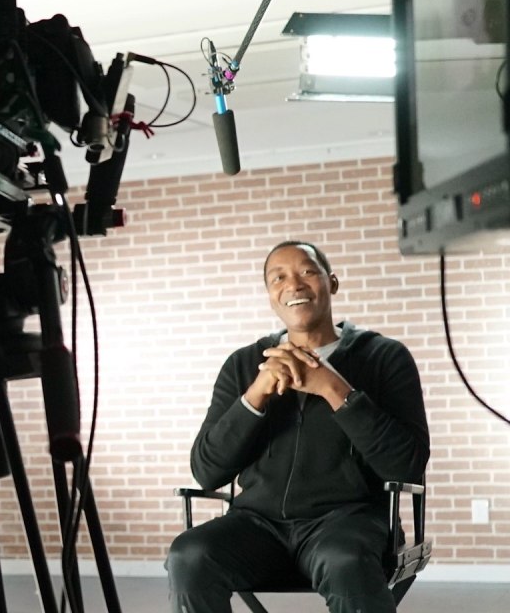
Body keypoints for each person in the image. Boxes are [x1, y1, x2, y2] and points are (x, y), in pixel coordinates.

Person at [165, 240, 430, 613]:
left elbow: (408, 464)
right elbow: (207, 470)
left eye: (307, 271)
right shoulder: (243, 365)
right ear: (270, 296)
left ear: (332, 283)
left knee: (346, 561)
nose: (294, 284)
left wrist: (333, 388)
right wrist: (255, 395)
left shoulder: (385, 357)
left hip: (347, 521)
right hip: (256, 525)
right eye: (278, 277)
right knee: (189, 555)